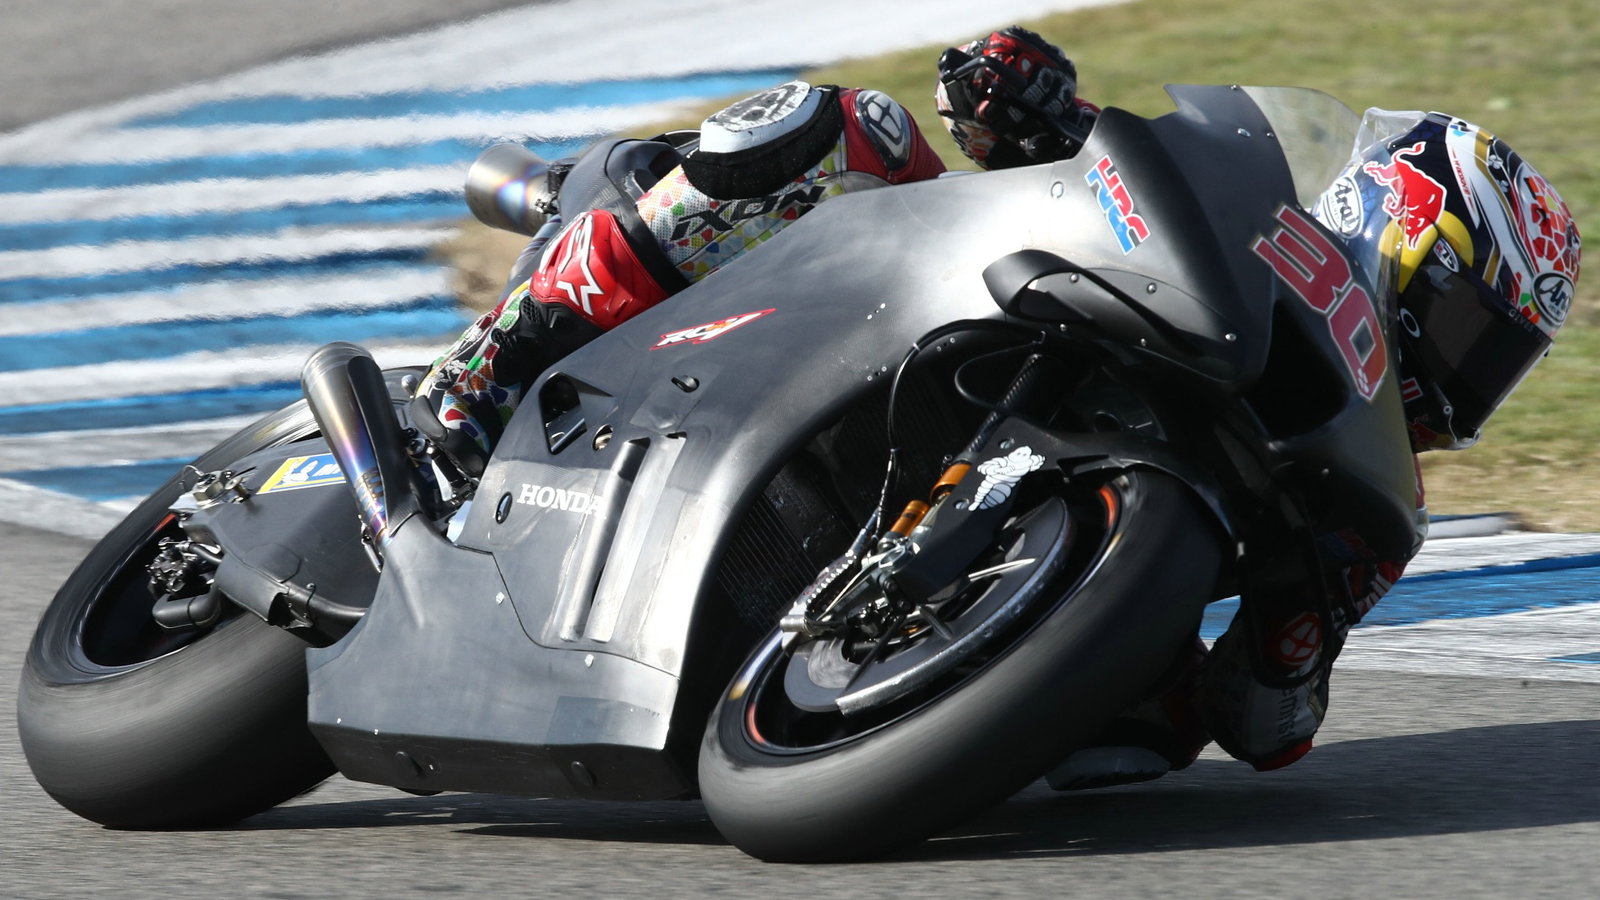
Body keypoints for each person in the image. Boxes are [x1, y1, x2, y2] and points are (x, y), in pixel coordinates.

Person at [411, 27, 1582, 786]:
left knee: (1147, 742)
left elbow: (1265, 726)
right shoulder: (1231, 238)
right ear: (1393, 223)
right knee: (852, 130)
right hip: (877, 325)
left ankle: (914, 693)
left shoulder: (1365, 498)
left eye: (1500, 365)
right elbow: (1022, 139)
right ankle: (491, 368)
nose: (1467, 380)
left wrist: (1295, 630)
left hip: (953, 679)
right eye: (1471, 333)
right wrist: (1027, 99)